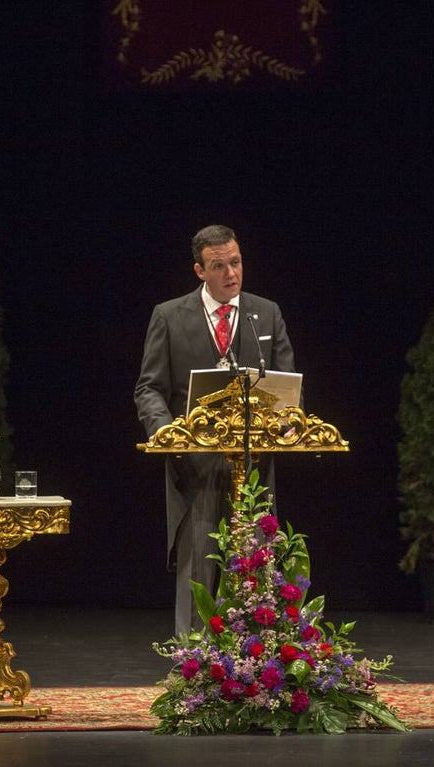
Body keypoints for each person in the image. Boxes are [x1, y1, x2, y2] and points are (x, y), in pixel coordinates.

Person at [135, 224, 297, 636]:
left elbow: (286, 385)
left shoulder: (268, 313)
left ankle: (256, 671)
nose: (231, 273)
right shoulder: (169, 316)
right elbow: (149, 388)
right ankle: (193, 675)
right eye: (219, 265)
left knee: (257, 571)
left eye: (236, 262)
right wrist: (168, 432)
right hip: (196, 467)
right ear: (199, 270)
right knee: (199, 574)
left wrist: (285, 421)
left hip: (254, 466)